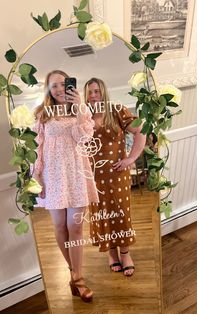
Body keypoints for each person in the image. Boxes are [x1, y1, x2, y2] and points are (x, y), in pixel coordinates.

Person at [33, 70, 98, 302]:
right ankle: (75, 273)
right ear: (48, 91)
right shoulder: (42, 115)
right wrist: (36, 176)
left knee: (76, 227)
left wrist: (80, 107)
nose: (60, 89)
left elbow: (84, 138)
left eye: (64, 84)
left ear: (71, 86)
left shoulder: (82, 110)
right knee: (60, 226)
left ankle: (78, 279)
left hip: (77, 175)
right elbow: (37, 148)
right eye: (54, 86)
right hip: (52, 176)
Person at [84, 77, 146, 276]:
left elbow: (141, 130)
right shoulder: (83, 116)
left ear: (103, 92)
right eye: (89, 92)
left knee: (120, 213)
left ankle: (125, 253)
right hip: (94, 178)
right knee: (102, 215)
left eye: (96, 91)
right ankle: (112, 253)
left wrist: (131, 158)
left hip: (118, 175)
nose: (93, 95)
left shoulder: (117, 110)